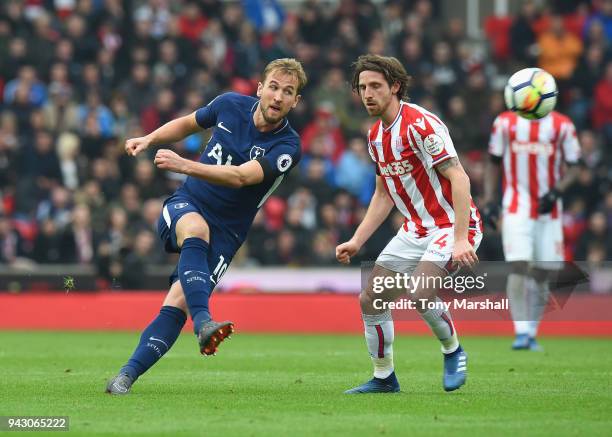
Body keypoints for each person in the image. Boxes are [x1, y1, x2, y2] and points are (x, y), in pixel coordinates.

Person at [106, 58, 307, 395]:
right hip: (188, 205)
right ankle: (204, 324)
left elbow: (241, 177)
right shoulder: (229, 105)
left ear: (295, 101)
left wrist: (184, 164)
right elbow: (188, 124)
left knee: (180, 299)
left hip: (228, 233)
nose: (278, 96)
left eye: (288, 92)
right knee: (196, 230)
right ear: (260, 88)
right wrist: (150, 138)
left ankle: (124, 378)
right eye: (273, 87)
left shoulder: (288, 147)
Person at [336, 55, 482, 393]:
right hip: (415, 228)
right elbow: (383, 194)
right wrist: (357, 240)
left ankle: (453, 350)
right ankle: (384, 377)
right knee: (371, 298)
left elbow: (459, 178)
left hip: (452, 224)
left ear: (395, 87)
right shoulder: (375, 136)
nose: (367, 94)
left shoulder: (421, 124)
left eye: (375, 86)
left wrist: (461, 239)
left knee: (420, 291)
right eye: (362, 88)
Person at [482, 89, 581, 351]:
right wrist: (490, 200)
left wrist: (558, 190)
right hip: (516, 205)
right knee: (518, 265)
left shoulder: (563, 125)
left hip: (550, 209)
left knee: (542, 272)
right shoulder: (504, 122)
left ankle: (532, 330)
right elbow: (493, 161)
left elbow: (575, 165)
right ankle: (521, 331)